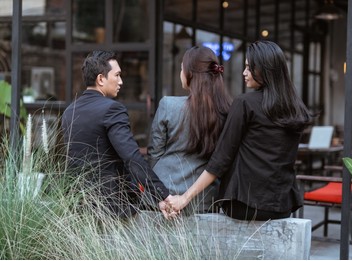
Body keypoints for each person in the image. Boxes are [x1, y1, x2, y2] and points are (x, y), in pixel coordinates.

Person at [166, 40, 314, 221]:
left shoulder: (245, 103)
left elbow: (220, 160)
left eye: (249, 68)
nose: (244, 73)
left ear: (264, 69)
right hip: (282, 206)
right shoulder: (295, 108)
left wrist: (184, 198)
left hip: (244, 205)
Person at [61, 50, 173, 219]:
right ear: (100, 79)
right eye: (117, 75)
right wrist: (163, 195)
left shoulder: (69, 111)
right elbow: (132, 158)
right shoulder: (112, 109)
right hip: (111, 209)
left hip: (77, 207)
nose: (121, 82)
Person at [147, 46, 232, 214]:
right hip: (204, 200)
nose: (180, 73)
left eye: (181, 69)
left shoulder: (168, 105)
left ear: (190, 74)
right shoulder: (228, 112)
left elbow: (154, 154)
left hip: (163, 197)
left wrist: (164, 194)